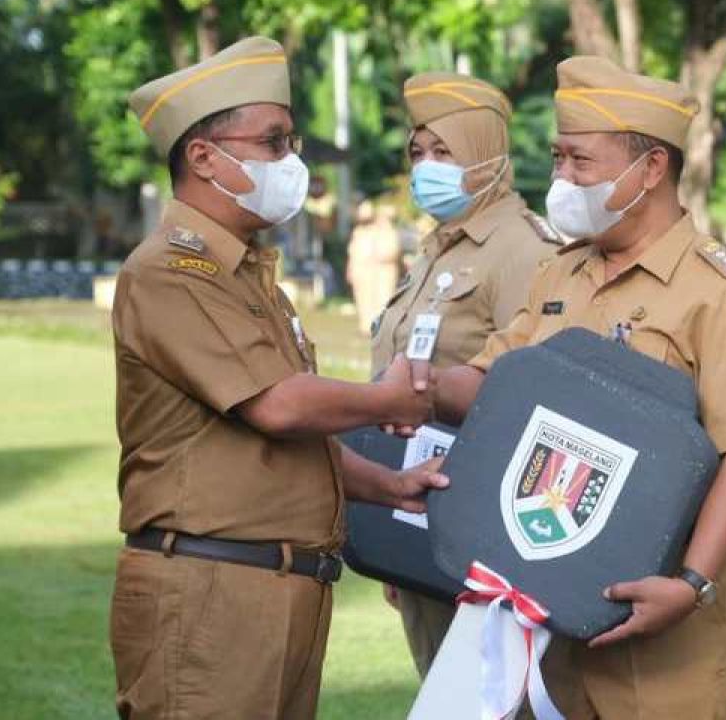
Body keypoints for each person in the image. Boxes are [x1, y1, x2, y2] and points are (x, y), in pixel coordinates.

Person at [430, 56, 726, 719]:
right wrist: (412, 388)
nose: (560, 177)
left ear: (651, 169)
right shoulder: (559, 276)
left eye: (579, 162)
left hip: (665, 634)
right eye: (558, 159)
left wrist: (693, 584)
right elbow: (489, 383)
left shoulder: (723, 293)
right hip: (545, 613)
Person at [113, 37, 445, 720]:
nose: (291, 161)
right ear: (204, 158)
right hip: (212, 592)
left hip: (280, 588)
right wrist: (386, 399)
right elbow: (278, 407)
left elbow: (292, 442)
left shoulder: (249, 276)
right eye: (273, 142)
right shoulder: (171, 273)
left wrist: (389, 487)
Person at [371, 71, 563, 681]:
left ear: (486, 154)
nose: (426, 168)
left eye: (444, 153)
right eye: (418, 153)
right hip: (419, 507)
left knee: (490, 694)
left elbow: (534, 397)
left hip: (484, 527)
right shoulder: (438, 248)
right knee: (442, 686)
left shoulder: (524, 249)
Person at [346, 199, 403, 336]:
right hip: (362, 270)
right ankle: (366, 326)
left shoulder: (388, 232)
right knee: (363, 299)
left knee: (383, 298)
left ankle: (381, 327)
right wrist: (350, 269)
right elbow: (353, 253)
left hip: (383, 271)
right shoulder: (359, 232)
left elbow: (393, 252)